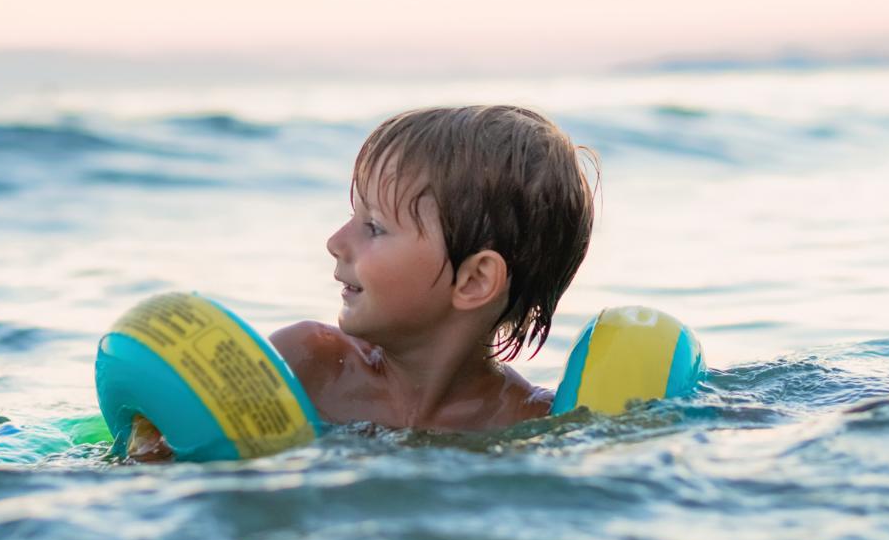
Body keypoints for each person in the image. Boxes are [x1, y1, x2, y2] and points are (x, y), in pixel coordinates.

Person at [126, 105, 596, 460]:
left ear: (474, 280)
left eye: (374, 227)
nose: (335, 241)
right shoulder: (307, 367)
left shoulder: (534, 426)